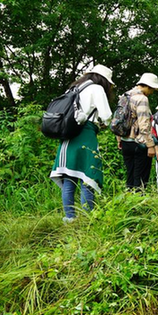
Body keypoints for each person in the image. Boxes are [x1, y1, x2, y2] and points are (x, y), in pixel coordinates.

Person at [50, 65, 113, 222]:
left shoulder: (73, 88)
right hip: (85, 136)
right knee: (88, 178)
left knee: (69, 180)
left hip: (67, 136)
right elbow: (106, 115)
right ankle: (88, 219)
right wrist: (103, 122)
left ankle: (70, 218)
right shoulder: (97, 89)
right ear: (104, 80)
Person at [116, 73, 158, 190]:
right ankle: (139, 204)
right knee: (140, 177)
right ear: (148, 87)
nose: (151, 93)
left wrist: (119, 139)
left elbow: (118, 119)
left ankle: (128, 201)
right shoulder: (142, 98)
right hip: (139, 143)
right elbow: (144, 124)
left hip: (125, 141)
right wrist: (150, 145)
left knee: (130, 174)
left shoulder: (125, 96)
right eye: (152, 90)